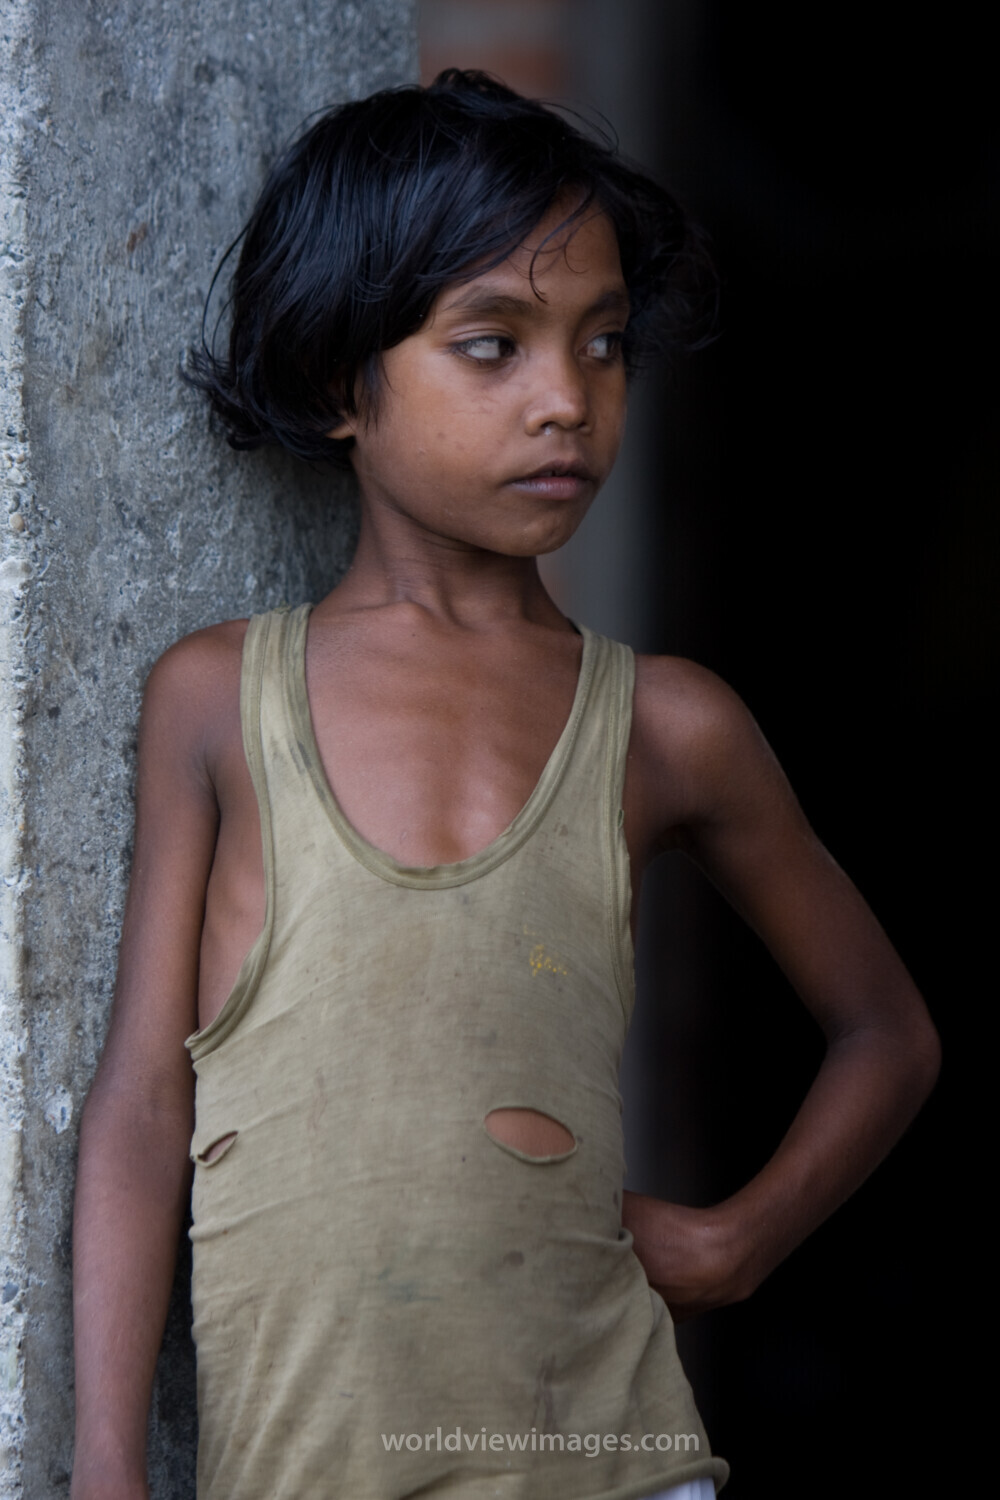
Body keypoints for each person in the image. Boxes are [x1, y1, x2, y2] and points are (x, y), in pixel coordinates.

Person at [70, 69, 940, 1500]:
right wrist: (105, 1464)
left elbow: (886, 1034)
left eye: (604, 347)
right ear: (331, 382)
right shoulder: (220, 700)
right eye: (494, 345)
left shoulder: (665, 727)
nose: (567, 402)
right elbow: (140, 1108)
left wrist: (736, 1242)